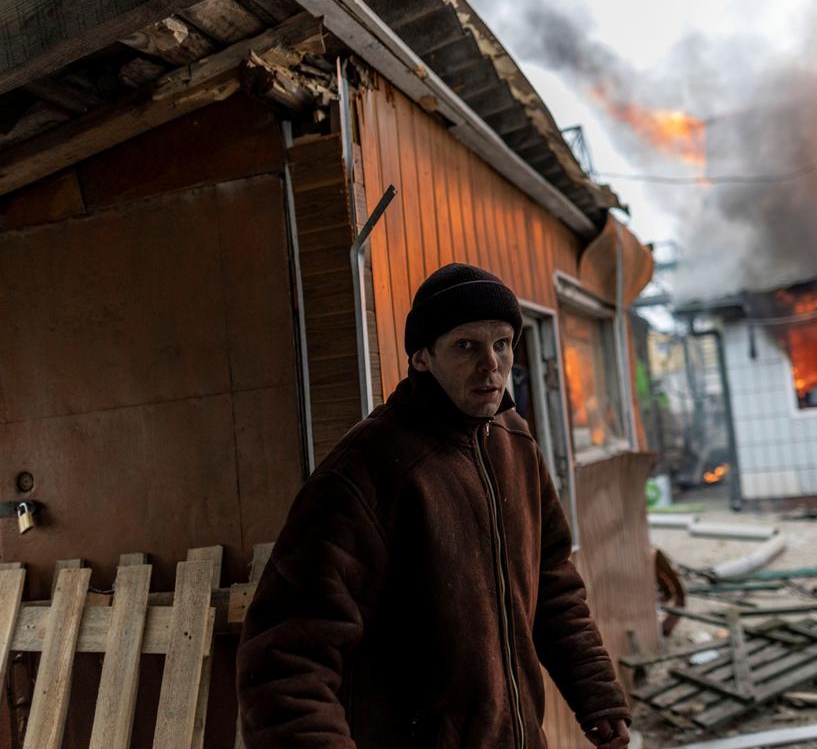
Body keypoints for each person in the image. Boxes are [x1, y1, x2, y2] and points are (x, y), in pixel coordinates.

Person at [237, 263, 631, 748]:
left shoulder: (516, 443)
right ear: (422, 357)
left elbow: (553, 585)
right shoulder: (366, 471)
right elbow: (285, 661)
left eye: (502, 344)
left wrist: (597, 695)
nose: (491, 365)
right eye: (467, 346)